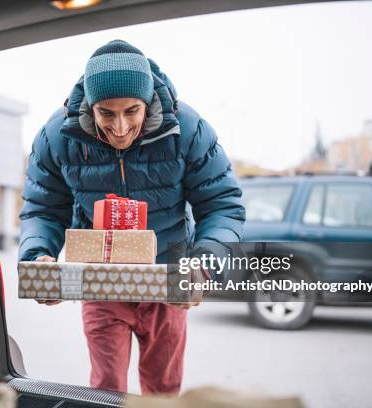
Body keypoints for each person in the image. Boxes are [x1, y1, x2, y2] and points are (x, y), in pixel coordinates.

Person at [19, 40, 245, 395]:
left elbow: (222, 205)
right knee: (105, 390)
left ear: (148, 102)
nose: (121, 127)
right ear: (90, 107)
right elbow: (43, 209)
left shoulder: (189, 130)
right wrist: (37, 256)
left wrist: (203, 264)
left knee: (163, 389)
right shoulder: (57, 137)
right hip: (99, 282)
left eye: (132, 111)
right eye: (106, 114)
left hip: (168, 280)